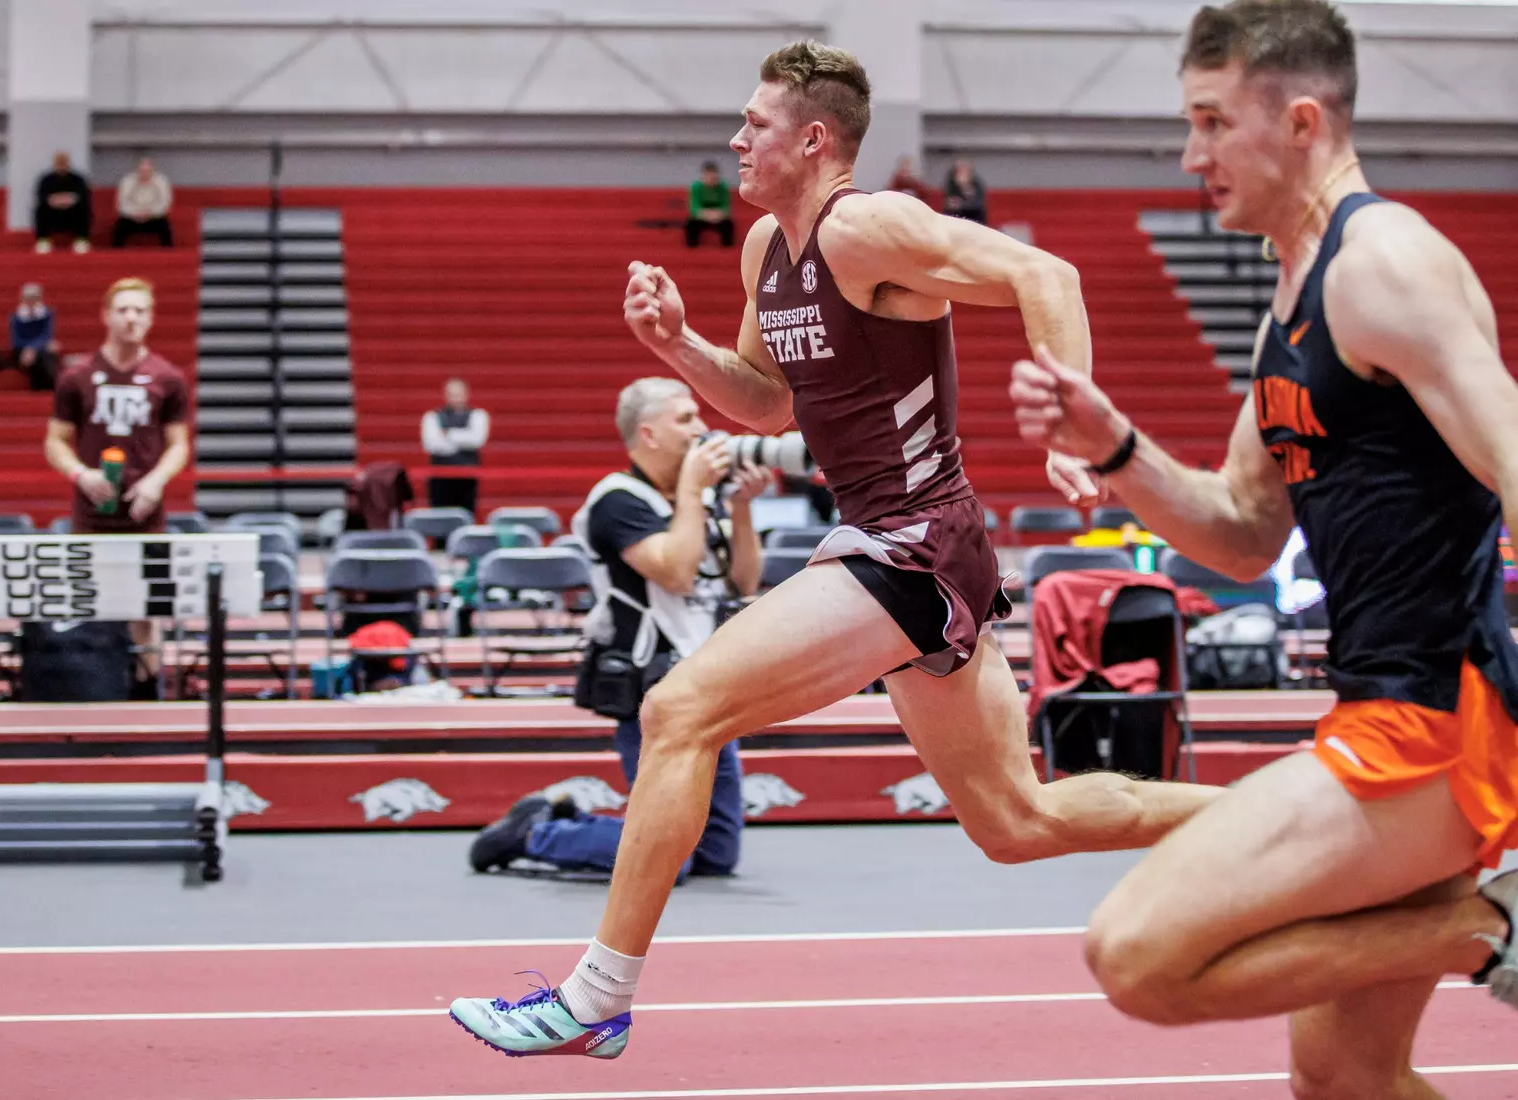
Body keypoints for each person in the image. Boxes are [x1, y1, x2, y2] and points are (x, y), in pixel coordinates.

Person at [449, 39, 1225, 1059]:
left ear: (811, 139)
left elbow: (1047, 272)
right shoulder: (765, 252)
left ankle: (597, 993)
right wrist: (676, 348)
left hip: (912, 540)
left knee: (677, 708)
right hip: (887, 541)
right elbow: (771, 401)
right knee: (1013, 821)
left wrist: (1076, 421)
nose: (733, 138)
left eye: (753, 123)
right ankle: (1280, 812)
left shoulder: (866, 226)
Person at [1007, 0, 1518, 1091]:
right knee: (1346, 1081)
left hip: (1434, 723)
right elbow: (1240, 534)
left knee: (1134, 950)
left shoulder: (1383, 265)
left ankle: (1485, 927)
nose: (1190, 155)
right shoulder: (1292, 290)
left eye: (1208, 123)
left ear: (1296, 122)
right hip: (1385, 706)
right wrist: (1113, 446)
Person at [468, 378, 769, 880]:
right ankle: (536, 835)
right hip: (651, 686)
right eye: (685, 419)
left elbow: (742, 581)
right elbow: (673, 570)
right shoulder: (617, 500)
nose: (701, 429)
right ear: (648, 434)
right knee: (674, 857)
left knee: (716, 855)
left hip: (709, 680)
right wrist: (694, 491)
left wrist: (740, 508)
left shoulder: (698, 498)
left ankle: (568, 820)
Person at [43, 277, 191, 698]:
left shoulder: (168, 378)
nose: (131, 318)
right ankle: (92, 685)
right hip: (93, 513)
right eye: (123, 309)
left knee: (147, 608)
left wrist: (156, 482)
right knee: (90, 602)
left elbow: (180, 444)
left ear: (151, 317)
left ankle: (148, 691)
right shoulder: (78, 377)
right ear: (106, 316)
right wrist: (81, 475)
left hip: (144, 511)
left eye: (140, 310)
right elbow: (55, 441)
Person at [421, 378, 489, 516]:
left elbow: (477, 440)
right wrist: (462, 439)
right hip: (440, 477)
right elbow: (431, 444)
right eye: (452, 394)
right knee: (440, 519)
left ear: (466, 394)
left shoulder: (478, 415)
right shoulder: (432, 416)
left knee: (466, 516)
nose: (455, 398)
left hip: (467, 476)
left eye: (458, 393)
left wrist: (448, 434)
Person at [34, 152, 92, 254]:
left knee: (84, 209)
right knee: (40, 209)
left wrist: (68, 200)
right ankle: (43, 240)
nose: (61, 166)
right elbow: (42, 196)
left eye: (63, 163)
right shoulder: (46, 179)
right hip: (53, 213)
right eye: (58, 163)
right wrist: (55, 200)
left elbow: (83, 195)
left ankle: (81, 240)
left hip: (72, 212)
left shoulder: (78, 179)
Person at [8, 282, 60, 391]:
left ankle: (45, 387)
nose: (31, 302)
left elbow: (47, 335)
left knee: (45, 353)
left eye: (34, 298)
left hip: (39, 349)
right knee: (39, 355)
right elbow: (16, 340)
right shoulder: (15, 317)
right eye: (28, 299)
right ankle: (42, 388)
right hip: (21, 351)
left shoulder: (47, 314)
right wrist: (29, 349)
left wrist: (33, 348)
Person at [113, 157, 175, 248]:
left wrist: (150, 212)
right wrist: (136, 213)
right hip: (132, 217)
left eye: (148, 171)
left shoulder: (161, 180)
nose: (145, 174)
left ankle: (167, 253)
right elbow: (121, 204)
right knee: (119, 227)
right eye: (142, 171)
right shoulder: (127, 181)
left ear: (153, 170)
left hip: (154, 216)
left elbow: (165, 203)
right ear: (137, 170)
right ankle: (116, 254)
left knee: (165, 226)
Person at [684, 161, 735, 248]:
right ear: (703, 175)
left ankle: (727, 250)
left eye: (713, 175)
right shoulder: (696, 187)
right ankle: (692, 251)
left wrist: (718, 215)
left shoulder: (723, 187)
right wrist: (706, 215)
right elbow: (694, 208)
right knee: (690, 225)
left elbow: (726, 207)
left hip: (719, 217)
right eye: (708, 175)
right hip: (701, 218)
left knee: (728, 225)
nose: (711, 178)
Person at [942, 158, 988, 225]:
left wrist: (965, 186)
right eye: (960, 170)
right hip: (957, 214)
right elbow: (950, 203)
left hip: (973, 214)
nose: (962, 172)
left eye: (965, 170)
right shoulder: (951, 183)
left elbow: (977, 203)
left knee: (978, 213)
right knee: (950, 213)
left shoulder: (976, 183)